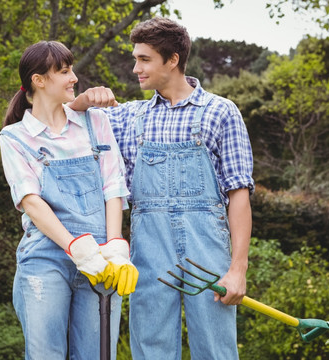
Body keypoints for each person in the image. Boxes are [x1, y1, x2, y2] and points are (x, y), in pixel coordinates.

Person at [70, 17, 254, 359]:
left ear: (172, 60)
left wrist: (237, 269)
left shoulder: (220, 112)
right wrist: (81, 102)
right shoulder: (129, 117)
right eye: (136, 58)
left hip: (208, 253)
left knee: (215, 350)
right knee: (150, 350)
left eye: (144, 59)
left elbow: (238, 194)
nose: (135, 68)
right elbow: (59, 124)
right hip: (149, 254)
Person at [0, 40, 138, 360]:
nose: (74, 77)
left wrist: (114, 245)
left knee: (96, 354)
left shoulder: (95, 122)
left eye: (72, 69)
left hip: (101, 257)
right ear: (39, 80)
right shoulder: (15, 138)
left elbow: (113, 186)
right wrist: (75, 247)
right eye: (64, 71)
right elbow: (31, 201)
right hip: (47, 256)